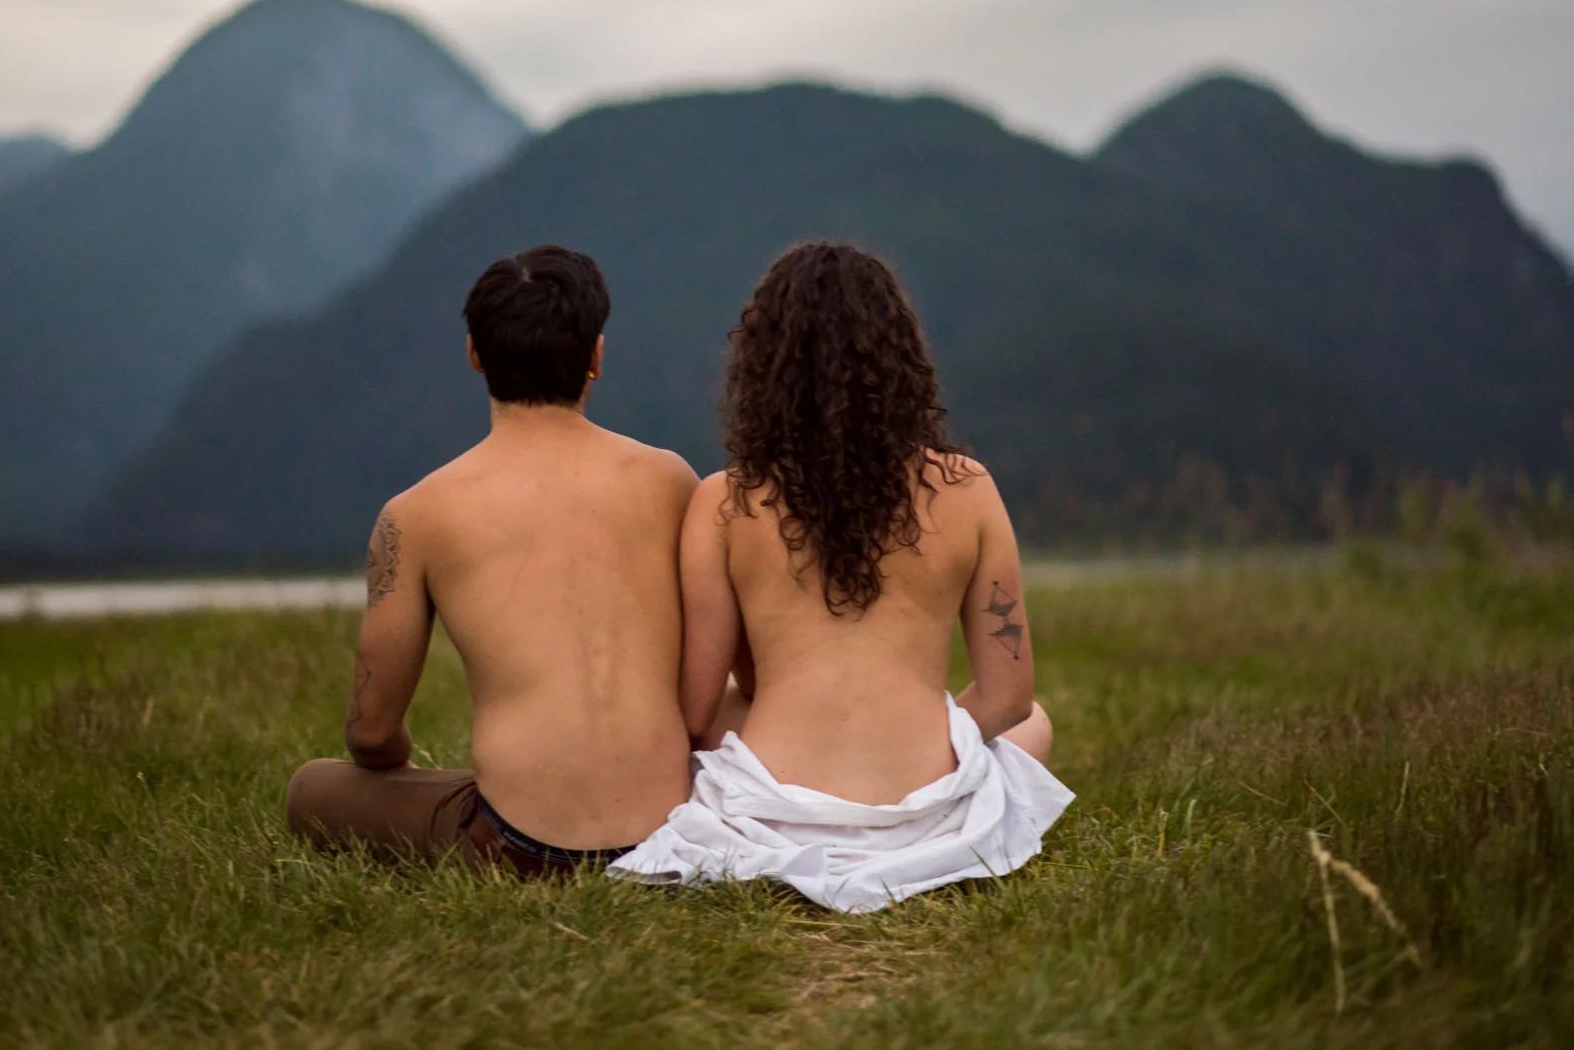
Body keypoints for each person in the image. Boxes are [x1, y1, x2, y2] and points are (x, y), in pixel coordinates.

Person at [610, 241, 1073, 911]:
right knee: (1037, 721)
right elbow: (1008, 697)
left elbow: (695, 710)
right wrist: (920, 734)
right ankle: (916, 784)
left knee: (740, 701)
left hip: (773, 809)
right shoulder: (968, 488)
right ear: (899, 358)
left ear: (763, 365)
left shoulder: (726, 500)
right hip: (926, 808)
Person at [287, 245, 700, 875]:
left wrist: (407, 769)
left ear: (475, 355)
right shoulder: (671, 481)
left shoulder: (416, 514)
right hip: (674, 830)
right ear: (596, 355)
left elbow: (370, 736)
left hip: (520, 845)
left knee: (312, 789)